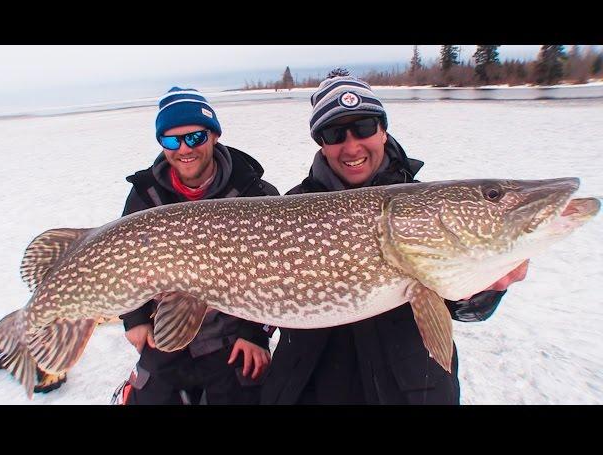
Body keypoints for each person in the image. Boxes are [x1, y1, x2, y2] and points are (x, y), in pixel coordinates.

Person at [260, 69, 529, 405]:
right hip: (309, 388)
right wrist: (253, 335)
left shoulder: (426, 205)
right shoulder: (291, 210)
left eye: (364, 127)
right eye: (334, 133)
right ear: (322, 144)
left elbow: (462, 308)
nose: (352, 145)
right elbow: (259, 291)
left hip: (408, 392)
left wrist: (486, 288)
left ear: (383, 131)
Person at [109, 86, 279, 405]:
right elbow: (122, 260)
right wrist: (133, 318)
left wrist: (255, 333)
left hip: (231, 332)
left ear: (213, 136)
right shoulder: (146, 197)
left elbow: (281, 274)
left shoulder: (254, 192)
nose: (184, 149)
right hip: (167, 331)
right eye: (172, 140)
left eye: (196, 138)